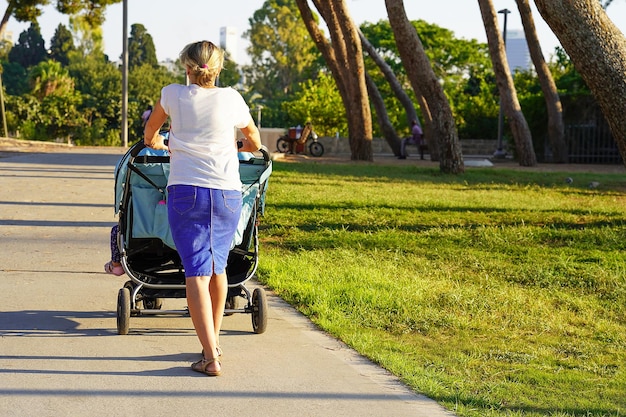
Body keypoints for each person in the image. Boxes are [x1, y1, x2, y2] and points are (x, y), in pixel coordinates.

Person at [143, 40, 262, 377]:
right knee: (217, 268)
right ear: (218, 68)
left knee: (196, 269)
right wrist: (237, 145)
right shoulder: (232, 98)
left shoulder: (171, 94)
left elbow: (150, 134)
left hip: (187, 192)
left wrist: (164, 144)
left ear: (187, 68)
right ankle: (214, 343)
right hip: (227, 194)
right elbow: (254, 142)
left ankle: (210, 357)